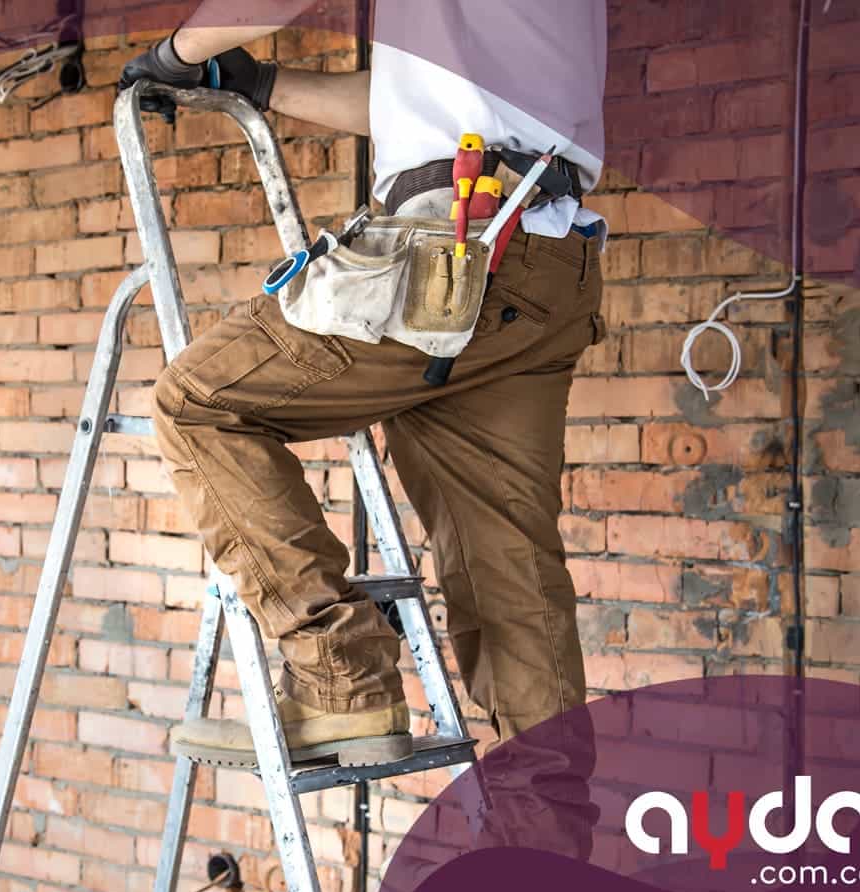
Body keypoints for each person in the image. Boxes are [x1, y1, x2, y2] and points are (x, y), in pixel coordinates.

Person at [120, 1, 608, 788]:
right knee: (509, 575)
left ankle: (338, 679)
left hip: (459, 249)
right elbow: (411, 104)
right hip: (545, 260)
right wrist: (263, 80)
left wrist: (178, 51)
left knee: (201, 404)